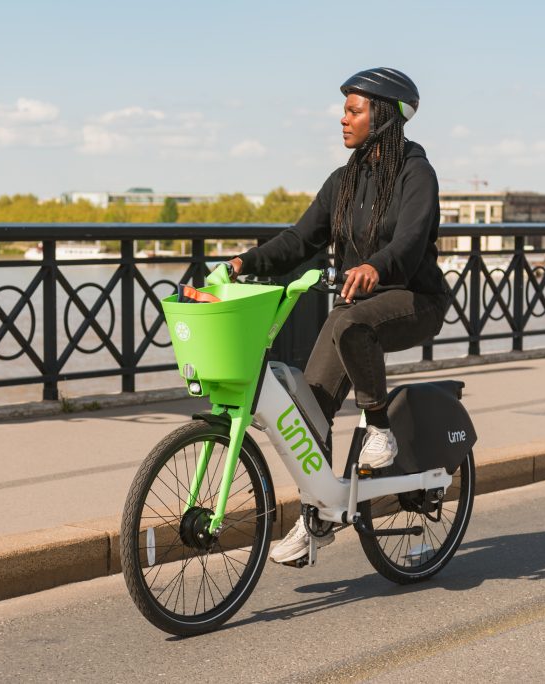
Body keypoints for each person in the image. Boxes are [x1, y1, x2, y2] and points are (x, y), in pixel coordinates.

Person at [228, 67, 451, 564]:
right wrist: (243, 262)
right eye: (344, 110)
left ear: (384, 115)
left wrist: (375, 265)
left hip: (414, 299)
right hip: (358, 307)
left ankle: (380, 431)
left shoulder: (417, 172)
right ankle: (320, 516)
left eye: (354, 110)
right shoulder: (345, 181)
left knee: (352, 323)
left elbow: (411, 243)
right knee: (309, 412)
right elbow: (298, 240)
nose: (343, 119)